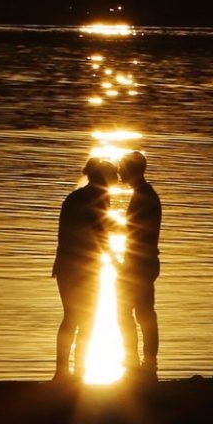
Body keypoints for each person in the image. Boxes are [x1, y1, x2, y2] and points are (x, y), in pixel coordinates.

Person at [52, 157, 115, 380]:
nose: (116, 180)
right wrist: (116, 261)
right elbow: (101, 233)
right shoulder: (98, 197)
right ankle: (76, 371)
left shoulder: (75, 197)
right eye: (113, 175)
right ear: (102, 177)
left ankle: (64, 371)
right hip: (83, 267)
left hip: (66, 265)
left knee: (72, 316)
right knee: (84, 317)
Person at [116, 150, 161, 381]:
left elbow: (138, 232)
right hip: (141, 261)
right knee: (139, 313)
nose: (119, 172)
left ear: (132, 170)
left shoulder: (145, 195)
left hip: (139, 263)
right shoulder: (143, 193)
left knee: (136, 313)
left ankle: (141, 362)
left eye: (122, 168)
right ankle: (140, 362)